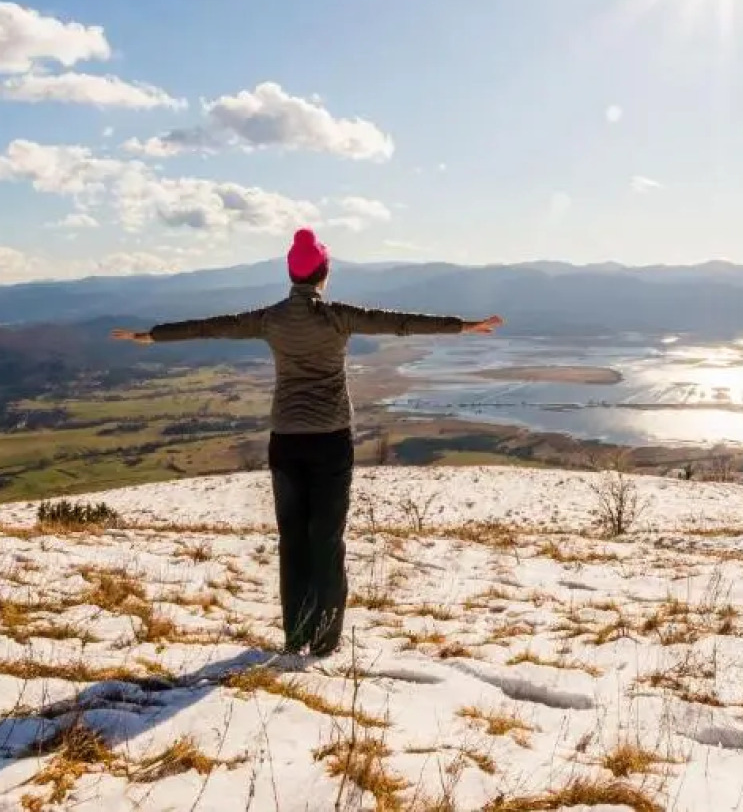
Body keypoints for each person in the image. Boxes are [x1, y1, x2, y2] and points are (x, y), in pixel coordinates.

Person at [111, 228, 502, 658]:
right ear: (324, 272)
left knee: (292, 540)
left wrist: (152, 335)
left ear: (291, 275)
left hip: (286, 443)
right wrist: (464, 327)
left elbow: (211, 327)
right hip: (331, 441)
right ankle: (326, 640)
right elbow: (400, 323)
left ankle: (296, 635)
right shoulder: (337, 316)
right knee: (327, 541)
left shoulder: (270, 319)